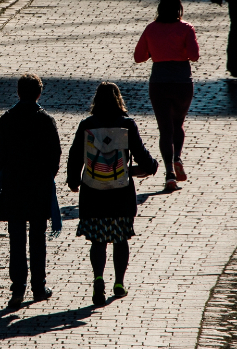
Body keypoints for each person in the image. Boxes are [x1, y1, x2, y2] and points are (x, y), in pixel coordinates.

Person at [67, 82, 158, 306]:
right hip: (120, 192)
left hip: (93, 192)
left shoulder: (86, 125)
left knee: (98, 240)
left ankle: (98, 279)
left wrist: (73, 180)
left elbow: (75, 155)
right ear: (119, 100)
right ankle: (119, 282)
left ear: (96, 100)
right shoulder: (126, 125)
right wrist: (152, 166)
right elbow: (142, 156)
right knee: (120, 238)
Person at [0, 73, 62, 308]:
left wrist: (7, 173)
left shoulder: (8, 119)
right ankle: (39, 286)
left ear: (19, 92)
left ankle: (18, 288)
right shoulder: (45, 120)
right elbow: (55, 155)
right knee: (38, 237)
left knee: (17, 238)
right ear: (39, 94)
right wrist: (47, 176)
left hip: (14, 186)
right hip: (38, 187)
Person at [134, 0, 200, 193]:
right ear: (179, 6)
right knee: (178, 125)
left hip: (159, 82)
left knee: (165, 130)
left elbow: (139, 57)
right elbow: (194, 55)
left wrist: (156, 50)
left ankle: (169, 172)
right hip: (182, 82)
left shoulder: (151, 29)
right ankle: (178, 157)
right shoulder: (187, 29)